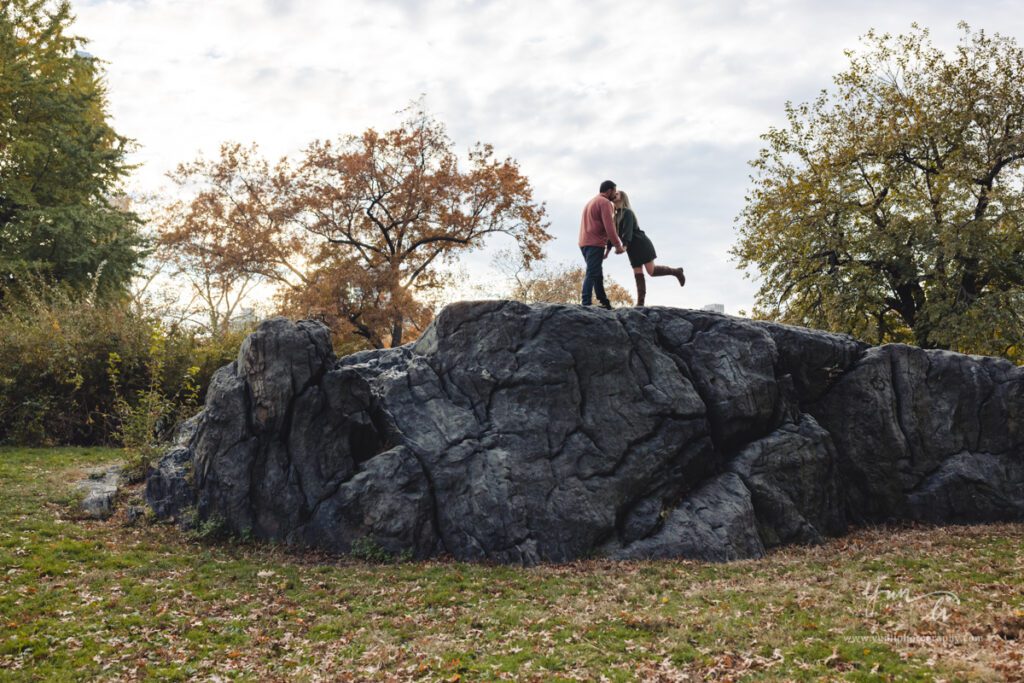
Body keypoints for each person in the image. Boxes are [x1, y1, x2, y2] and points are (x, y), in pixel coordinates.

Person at [608, 190, 685, 306]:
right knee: (637, 273)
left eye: (617, 194)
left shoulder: (627, 212)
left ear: (623, 198)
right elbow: (612, 234)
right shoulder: (615, 216)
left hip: (640, 244)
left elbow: (627, 231)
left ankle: (677, 272)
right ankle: (640, 304)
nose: (614, 195)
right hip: (631, 249)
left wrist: (624, 246)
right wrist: (607, 250)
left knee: (651, 271)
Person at [578, 180, 626, 308]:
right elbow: (609, 227)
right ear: (609, 190)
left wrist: (608, 249)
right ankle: (586, 303)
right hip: (594, 243)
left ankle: (604, 302)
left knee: (597, 273)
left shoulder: (591, 202)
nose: (615, 195)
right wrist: (618, 245)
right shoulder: (605, 203)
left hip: (584, 243)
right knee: (592, 273)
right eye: (614, 192)